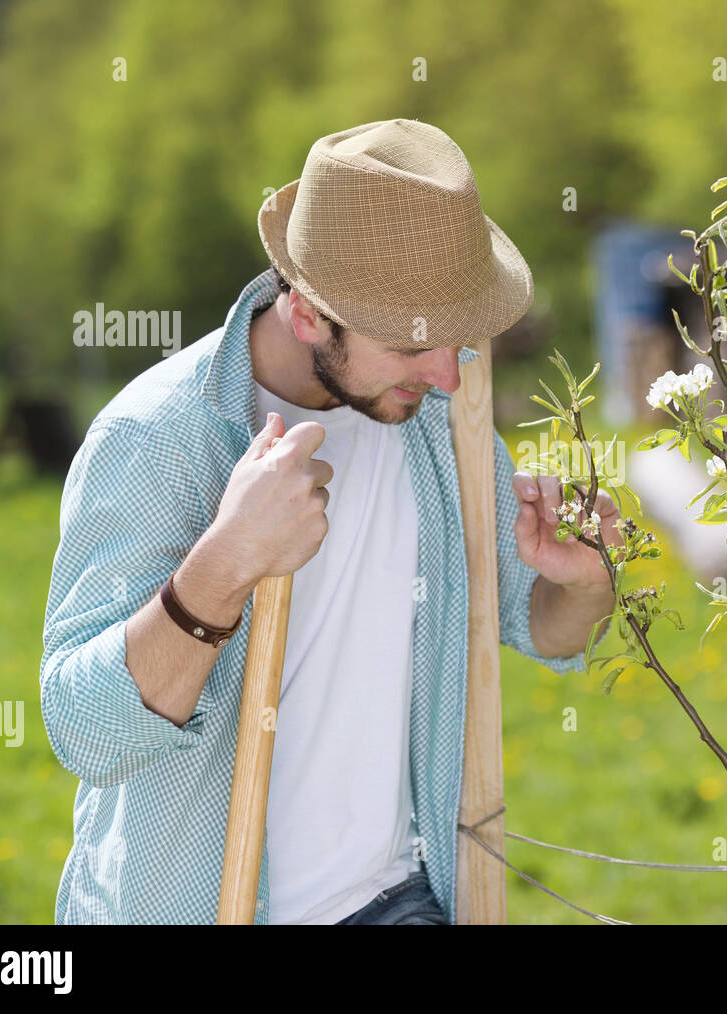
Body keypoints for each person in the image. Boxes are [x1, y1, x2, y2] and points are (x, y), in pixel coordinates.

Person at [40, 119, 620, 924]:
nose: (449, 375)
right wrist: (226, 563)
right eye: (413, 344)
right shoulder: (156, 440)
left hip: (392, 901)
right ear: (308, 314)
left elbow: (536, 624)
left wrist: (586, 584)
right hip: (191, 908)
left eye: (456, 338)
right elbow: (88, 733)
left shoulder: (438, 417)